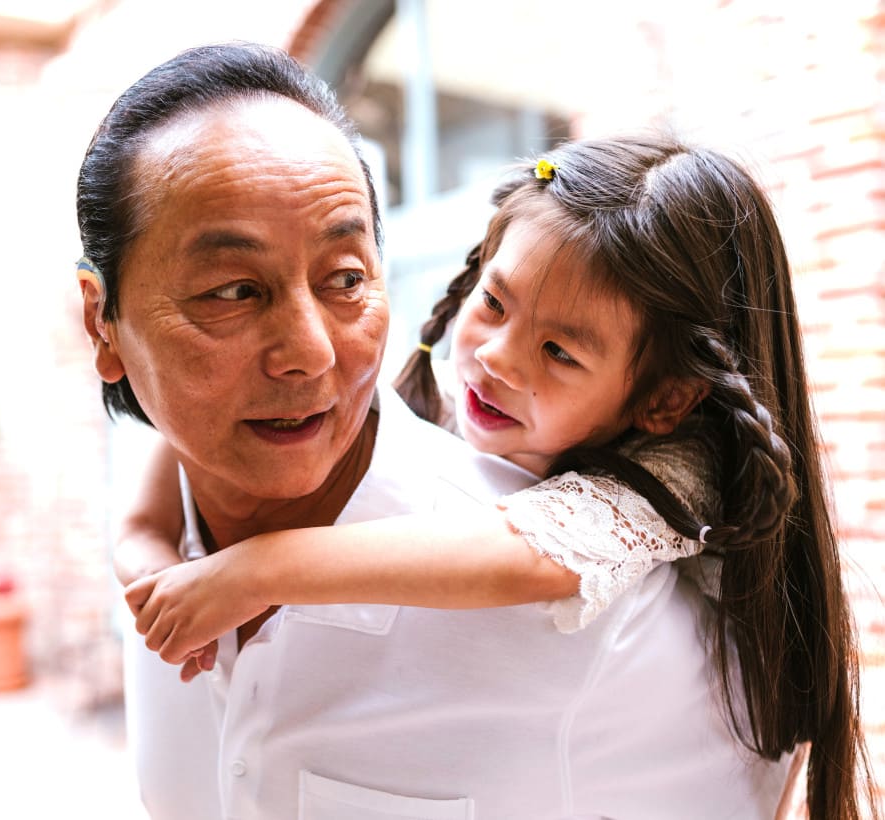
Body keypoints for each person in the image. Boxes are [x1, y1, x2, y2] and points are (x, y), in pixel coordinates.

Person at [78, 43, 863, 819]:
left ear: (662, 400)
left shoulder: (596, 598)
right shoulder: (181, 538)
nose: (312, 354)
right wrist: (146, 548)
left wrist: (256, 571)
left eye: (345, 279)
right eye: (233, 290)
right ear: (103, 325)